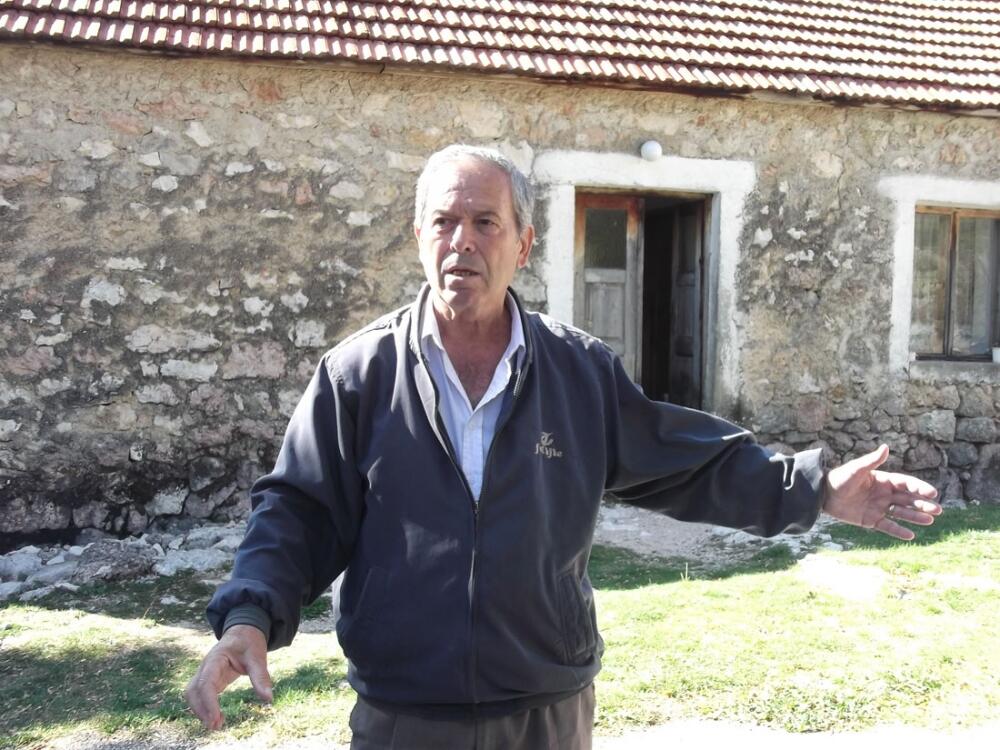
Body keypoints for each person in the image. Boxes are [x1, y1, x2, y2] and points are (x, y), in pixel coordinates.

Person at [185, 144, 942, 748]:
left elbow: (687, 461)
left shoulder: (578, 372)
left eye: (486, 222)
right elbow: (298, 511)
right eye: (444, 221)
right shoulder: (357, 375)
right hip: (404, 715)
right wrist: (249, 615)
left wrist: (817, 489)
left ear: (524, 244)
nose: (462, 241)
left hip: (546, 712)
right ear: (419, 238)